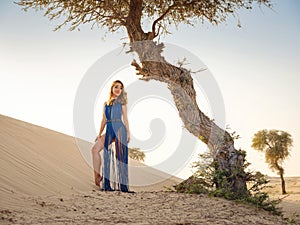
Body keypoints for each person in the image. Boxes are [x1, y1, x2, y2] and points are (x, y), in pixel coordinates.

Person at [91, 80, 131, 192]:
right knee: (95, 149)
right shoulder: (106, 104)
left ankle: (122, 186)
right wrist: (99, 134)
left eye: (121, 88)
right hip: (109, 129)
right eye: (116, 87)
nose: (119, 89)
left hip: (119, 129)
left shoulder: (122, 103)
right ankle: (98, 177)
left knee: (120, 157)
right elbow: (103, 120)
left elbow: (125, 118)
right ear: (112, 88)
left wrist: (128, 132)